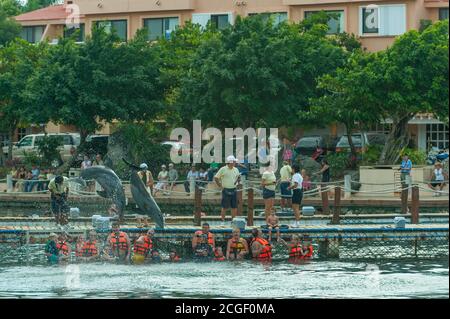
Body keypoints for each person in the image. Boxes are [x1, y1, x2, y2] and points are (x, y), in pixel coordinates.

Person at [214, 155, 241, 223]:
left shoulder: (236, 169)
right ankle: (222, 220)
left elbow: (238, 177)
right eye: (234, 161)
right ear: (231, 162)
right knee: (224, 206)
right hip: (225, 189)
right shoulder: (223, 169)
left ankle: (233, 220)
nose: (235, 162)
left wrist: (237, 182)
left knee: (234, 206)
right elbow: (216, 177)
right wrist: (220, 186)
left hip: (234, 189)